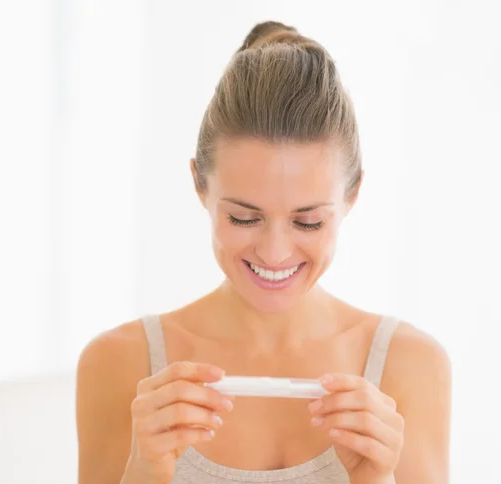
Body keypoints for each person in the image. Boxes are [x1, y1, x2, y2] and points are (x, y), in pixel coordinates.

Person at [76, 20, 452, 484]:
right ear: (200, 185)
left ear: (352, 195)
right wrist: (144, 474)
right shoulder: (118, 363)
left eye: (307, 221)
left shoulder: (410, 365)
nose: (274, 252)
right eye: (243, 218)